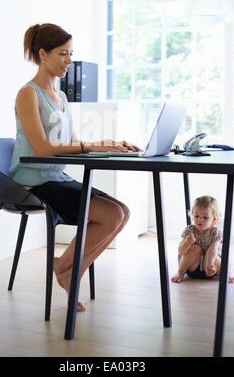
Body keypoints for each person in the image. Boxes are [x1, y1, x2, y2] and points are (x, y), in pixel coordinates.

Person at [9, 23, 141, 312]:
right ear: (43, 54)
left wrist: (106, 144)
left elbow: (73, 142)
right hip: (34, 183)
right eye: (63, 54)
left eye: (71, 54)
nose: (70, 61)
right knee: (111, 215)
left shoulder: (62, 96)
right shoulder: (27, 94)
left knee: (123, 213)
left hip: (56, 177)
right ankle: (66, 270)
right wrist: (89, 147)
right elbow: (43, 148)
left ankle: (66, 268)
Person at [171, 195, 234, 284]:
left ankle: (225, 273)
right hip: (192, 267)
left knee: (215, 254)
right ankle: (180, 272)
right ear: (192, 215)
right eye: (197, 216)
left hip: (210, 268)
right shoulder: (189, 230)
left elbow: (212, 250)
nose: (200, 219)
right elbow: (181, 251)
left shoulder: (216, 232)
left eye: (205, 217)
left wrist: (210, 265)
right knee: (195, 248)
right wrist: (187, 242)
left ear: (214, 219)